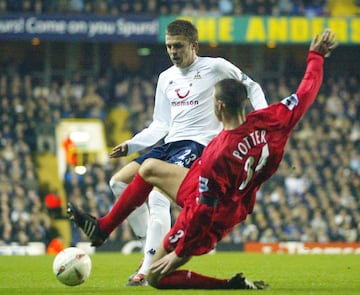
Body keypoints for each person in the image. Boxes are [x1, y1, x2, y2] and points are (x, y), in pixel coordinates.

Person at [68, 28, 337, 289]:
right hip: (234, 197)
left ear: (218, 106)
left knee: (155, 277)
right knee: (148, 168)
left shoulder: (216, 154)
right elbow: (305, 93)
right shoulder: (272, 120)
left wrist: (180, 251)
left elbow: (202, 211)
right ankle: (103, 227)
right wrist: (316, 58)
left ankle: (227, 285)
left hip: (213, 213)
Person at [84, 19, 267, 286]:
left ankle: (144, 268)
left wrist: (259, 121)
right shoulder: (165, 78)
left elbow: (251, 87)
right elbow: (161, 124)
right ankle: (149, 248)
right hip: (171, 143)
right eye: (169, 46)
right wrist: (133, 144)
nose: (172, 52)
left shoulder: (215, 67)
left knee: (157, 196)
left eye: (178, 46)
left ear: (194, 45)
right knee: (118, 182)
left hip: (199, 146)